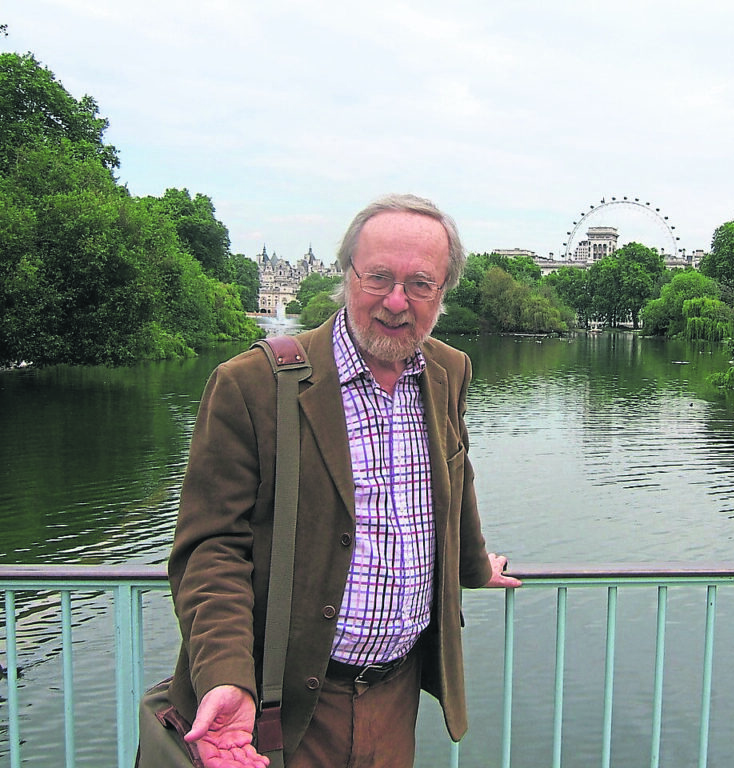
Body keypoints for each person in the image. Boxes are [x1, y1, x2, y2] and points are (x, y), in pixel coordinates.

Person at [164, 193, 522, 768]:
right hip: (279, 705)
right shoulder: (251, 384)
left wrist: (475, 564)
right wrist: (225, 675)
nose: (396, 302)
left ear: (443, 293)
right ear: (346, 275)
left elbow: (456, 480)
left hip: (397, 694)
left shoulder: (449, 370)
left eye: (420, 284)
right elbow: (211, 548)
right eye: (378, 277)